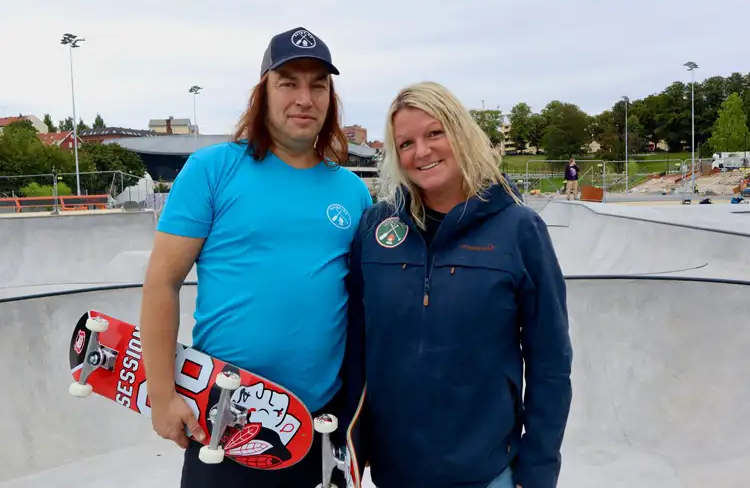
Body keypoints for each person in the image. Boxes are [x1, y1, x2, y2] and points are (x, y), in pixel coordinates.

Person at [139, 26, 372, 488]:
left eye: (318, 85)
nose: (304, 97)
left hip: (318, 423)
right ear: (262, 93)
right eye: (288, 82)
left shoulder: (352, 190)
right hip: (225, 419)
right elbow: (161, 281)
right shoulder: (213, 168)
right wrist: (163, 393)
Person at [344, 82, 573, 488]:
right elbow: (356, 347)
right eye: (406, 143)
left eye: (435, 133)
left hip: (485, 471)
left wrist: (538, 470)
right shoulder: (376, 227)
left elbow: (550, 362)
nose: (423, 151)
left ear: (461, 133)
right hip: (395, 471)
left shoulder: (520, 229)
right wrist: (352, 451)